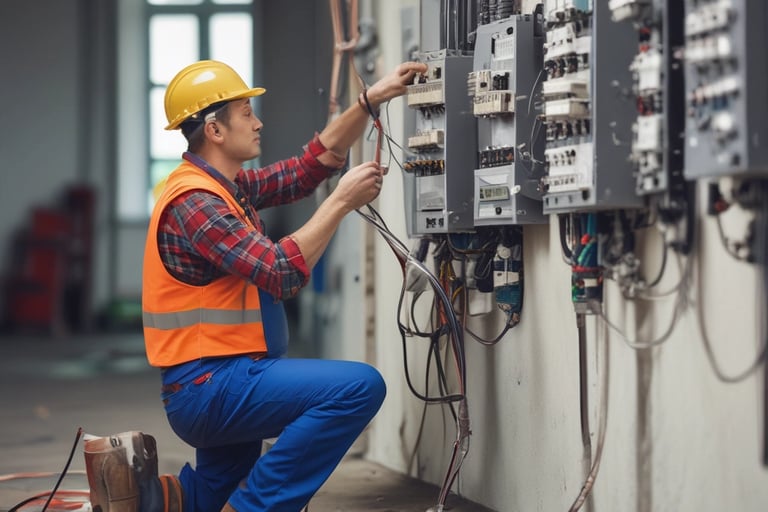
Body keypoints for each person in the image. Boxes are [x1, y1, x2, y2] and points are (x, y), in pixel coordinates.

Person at [138, 58, 427, 512]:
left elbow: (306, 169)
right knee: (358, 387)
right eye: (246, 114)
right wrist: (341, 202)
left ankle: (158, 501)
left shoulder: (226, 189)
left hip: (225, 380)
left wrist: (370, 101)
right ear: (214, 130)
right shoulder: (196, 203)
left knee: (209, 498)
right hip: (212, 388)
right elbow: (278, 270)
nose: (258, 123)